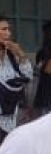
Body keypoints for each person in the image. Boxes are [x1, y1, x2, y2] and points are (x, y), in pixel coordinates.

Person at [0, 15, 34, 143]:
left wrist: (20, 54)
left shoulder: (11, 56)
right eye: (3, 29)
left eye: (8, 29)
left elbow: (28, 77)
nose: (8, 33)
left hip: (11, 118)